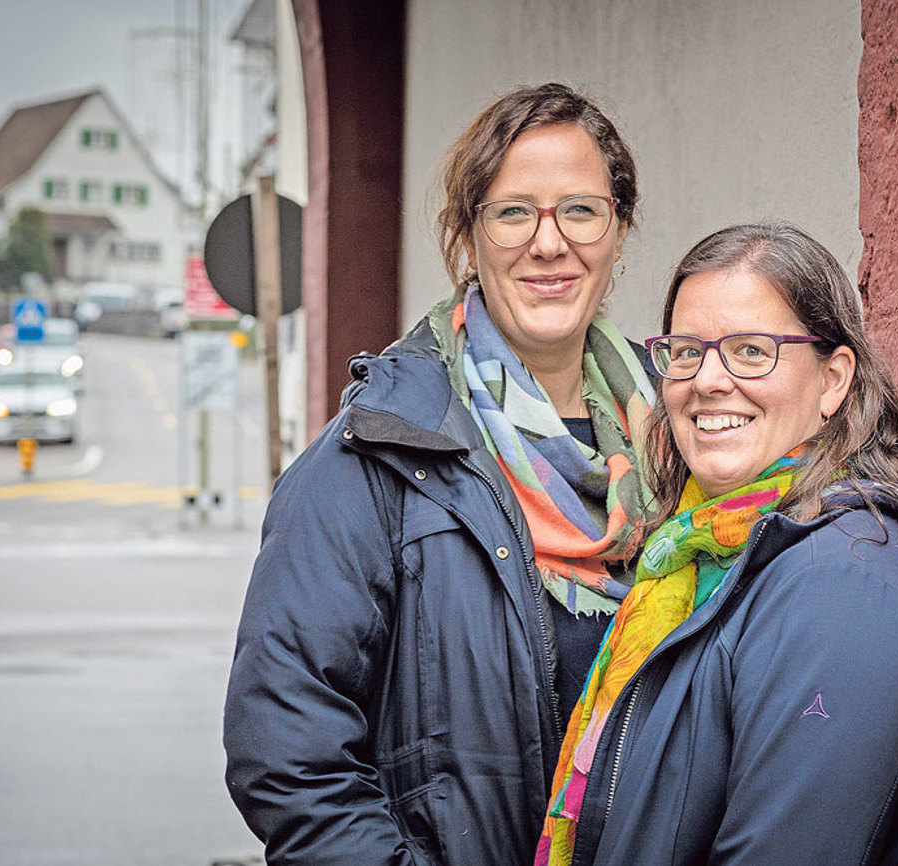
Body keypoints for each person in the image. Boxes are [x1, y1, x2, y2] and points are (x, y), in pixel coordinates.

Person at [223, 83, 658, 865]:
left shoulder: (680, 443)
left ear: (619, 231)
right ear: (469, 237)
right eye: (513, 211)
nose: (549, 243)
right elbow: (288, 757)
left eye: (581, 210)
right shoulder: (377, 455)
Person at [536, 223, 898, 865]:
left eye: (749, 350)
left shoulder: (845, 590)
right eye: (686, 351)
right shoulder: (691, 559)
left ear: (833, 380)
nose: (707, 381)